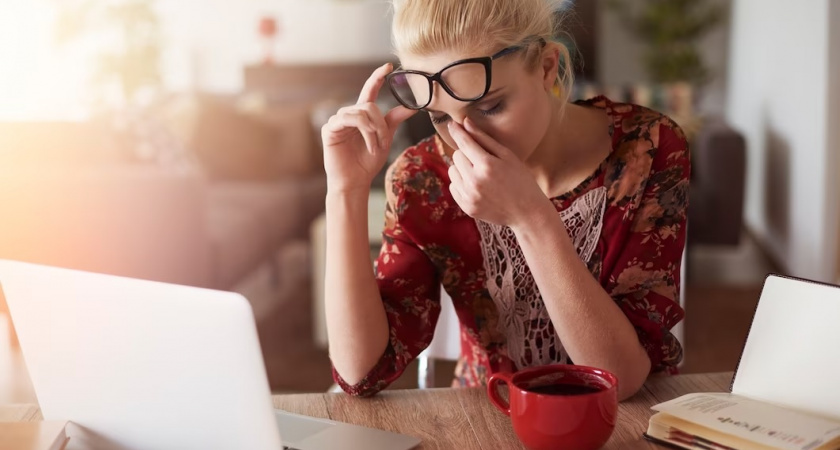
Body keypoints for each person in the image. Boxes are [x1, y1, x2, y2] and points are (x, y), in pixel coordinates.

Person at [321, 0, 689, 401]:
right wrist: (346, 189)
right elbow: (361, 373)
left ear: (547, 66)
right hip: (486, 417)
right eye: (440, 118)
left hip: (622, 425)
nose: (467, 139)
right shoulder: (424, 178)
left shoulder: (647, 147)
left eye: (489, 106)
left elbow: (621, 379)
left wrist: (531, 218)